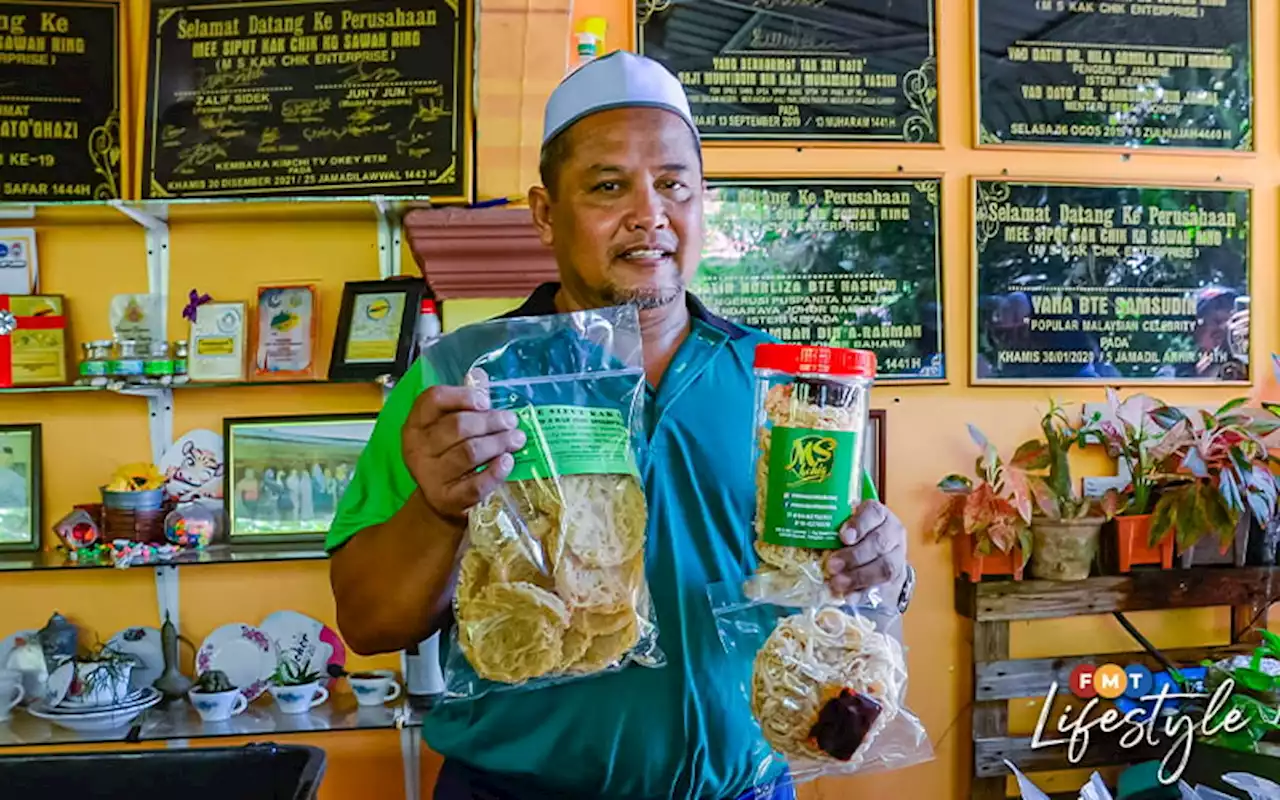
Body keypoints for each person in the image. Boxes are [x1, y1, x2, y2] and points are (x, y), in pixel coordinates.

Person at [327, 51, 914, 800]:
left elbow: (851, 576)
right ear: (545, 213)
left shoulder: (781, 382)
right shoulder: (460, 377)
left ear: (703, 203)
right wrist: (440, 509)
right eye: (608, 186)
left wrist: (884, 568)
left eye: (674, 185)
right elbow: (371, 622)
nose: (649, 214)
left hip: (749, 789)